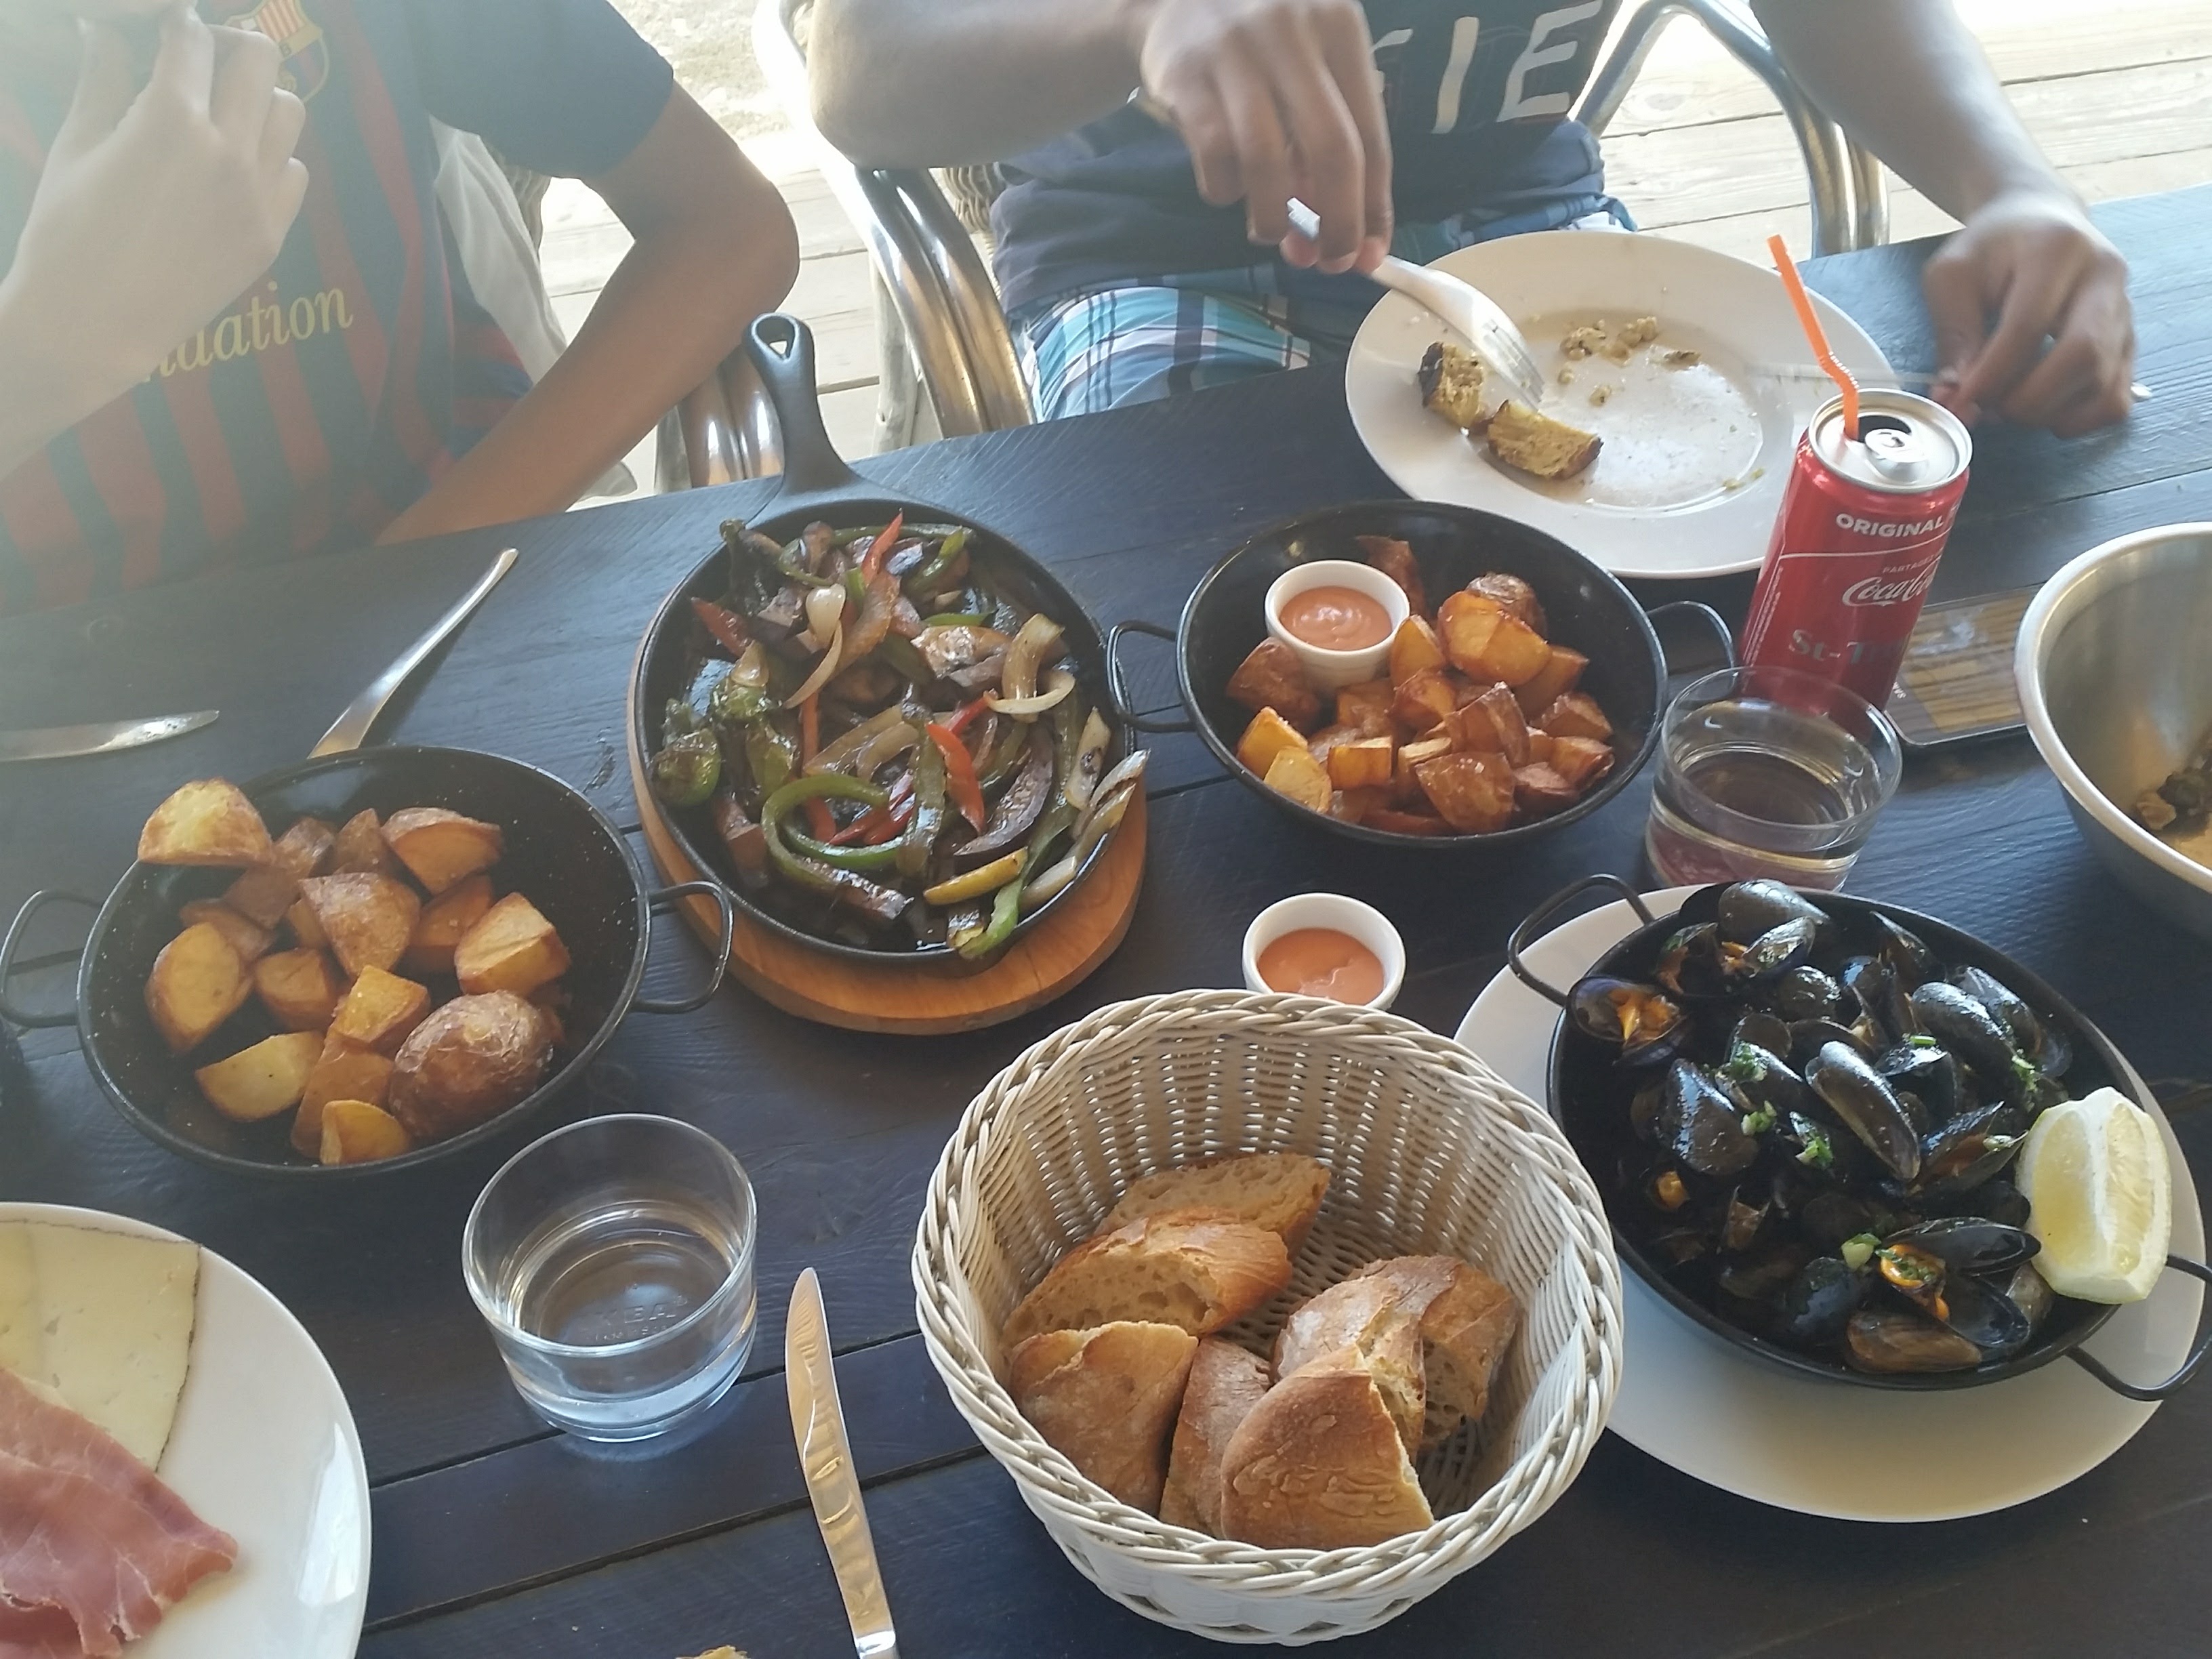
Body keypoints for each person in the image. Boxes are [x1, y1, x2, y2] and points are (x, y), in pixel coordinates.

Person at [805, 0, 2134, 436]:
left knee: (1686, 649)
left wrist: (2014, 184)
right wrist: (1134, 16)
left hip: (1529, 232)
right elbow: (861, 67)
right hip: (1154, 262)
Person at [0, 0, 800, 614]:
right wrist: (39, 365)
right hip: (55, 675)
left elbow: (729, 226)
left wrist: (409, 578)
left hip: (439, 556)